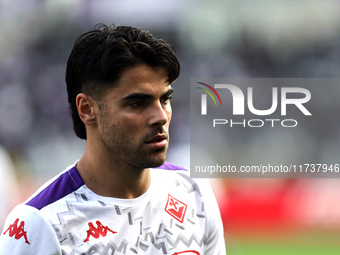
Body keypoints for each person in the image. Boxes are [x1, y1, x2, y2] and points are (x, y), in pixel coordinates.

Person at [0, 24, 226, 254]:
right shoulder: (39, 224)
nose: (160, 117)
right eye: (137, 103)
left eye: (165, 100)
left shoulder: (193, 193)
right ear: (87, 109)